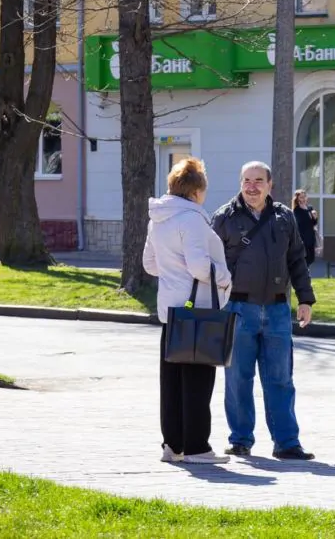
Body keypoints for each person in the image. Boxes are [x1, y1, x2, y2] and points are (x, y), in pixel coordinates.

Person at [211, 161, 316, 461]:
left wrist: (305, 300)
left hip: (278, 310)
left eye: (258, 180)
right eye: (246, 180)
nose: (252, 186)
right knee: (238, 379)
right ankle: (241, 439)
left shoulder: (284, 217)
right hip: (238, 309)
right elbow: (210, 265)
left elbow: (297, 259)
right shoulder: (224, 218)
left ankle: (286, 443)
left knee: (281, 379)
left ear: (270, 185)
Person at [143, 157, 233, 465]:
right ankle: (197, 447)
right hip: (198, 312)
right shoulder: (192, 218)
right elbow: (199, 266)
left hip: (171, 311)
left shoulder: (158, 218)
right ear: (196, 191)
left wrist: (173, 274)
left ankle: (174, 445)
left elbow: (150, 264)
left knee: (171, 381)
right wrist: (224, 275)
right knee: (197, 380)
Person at [291, 189, 319, 266]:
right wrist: (307, 214)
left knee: (312, 258)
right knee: (305, 258)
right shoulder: (296, 210)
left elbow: (313, 223)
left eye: (304, 197)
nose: (303, 199)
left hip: (311, 237)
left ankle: (305, 272)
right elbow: (300, 223)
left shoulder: (310, 208)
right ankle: (303, 274)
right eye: (301, 197)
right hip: (302, 238)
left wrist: (315, 217)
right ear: (297, 199)